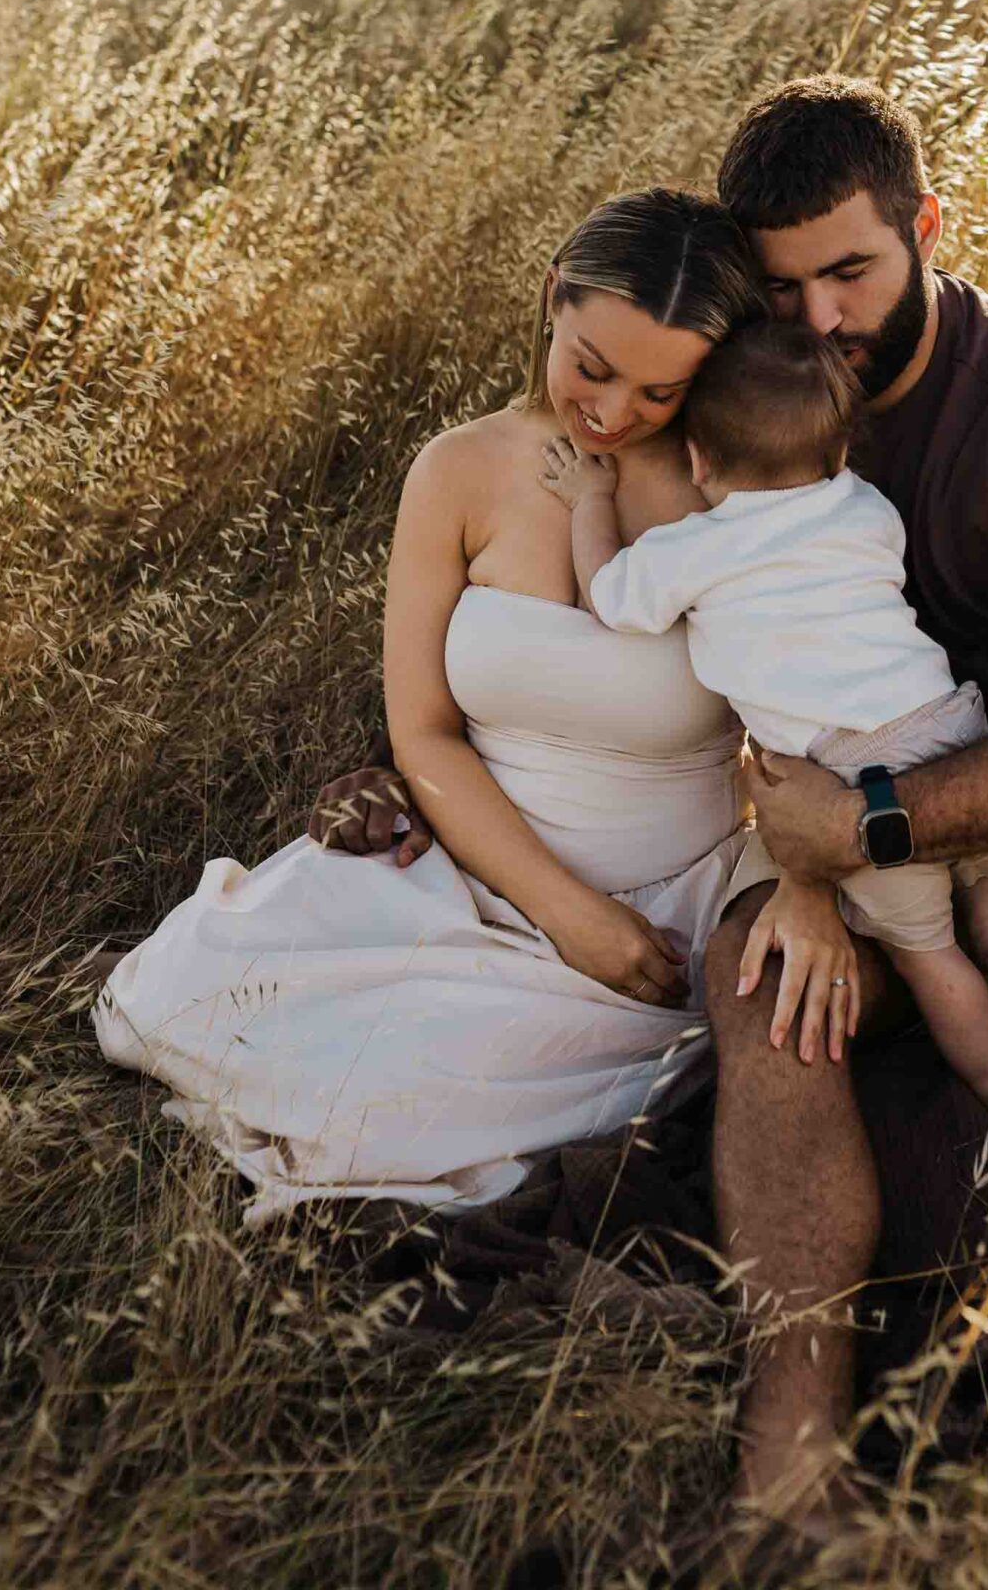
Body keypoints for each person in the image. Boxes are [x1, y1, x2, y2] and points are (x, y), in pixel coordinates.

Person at [313, 80, 988, 1530]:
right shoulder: (718, 408)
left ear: (923, 229)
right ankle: (788, 1469)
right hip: (810, 812)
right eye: (781, 285)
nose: (812, 321)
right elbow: (692, 687)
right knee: (765, 986)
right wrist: (797, 866)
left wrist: (873, 827)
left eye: (849, 272)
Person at [95, 189, 861, 1222]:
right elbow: (423, 731)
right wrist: (562, 910)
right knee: (188, 989)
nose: (612, 411)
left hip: (663, 909)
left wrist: (686, 909)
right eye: (590, 366)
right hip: (471, 864)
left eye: (659, 389)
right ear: (553, 297)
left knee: (417, 1100)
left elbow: (812, 712)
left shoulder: (734, 488)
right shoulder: (458, 468)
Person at [539, 317, 988, 1118]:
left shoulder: (698, 547)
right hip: (945, 716)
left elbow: (611, 597)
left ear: (698, 460)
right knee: (969, 847)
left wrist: (589, 499)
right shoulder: (864, 506)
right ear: (837, 455)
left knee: (927, 955)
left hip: (857, 767)